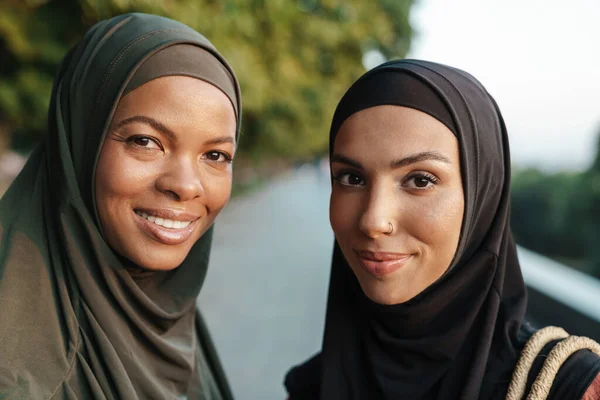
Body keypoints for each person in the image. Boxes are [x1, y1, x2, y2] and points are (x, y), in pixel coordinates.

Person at [284, 60, 600, 399]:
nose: (373, 221)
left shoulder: (569, 388)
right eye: (351, 178)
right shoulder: (311, 385)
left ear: (482, 196)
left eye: (420, 180)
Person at [0, 13, 241, 399]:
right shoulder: (23, 374)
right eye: (145, 142)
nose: (185, 185)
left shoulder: (163, 311)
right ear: (80, 143)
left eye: (215, 154)